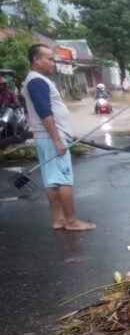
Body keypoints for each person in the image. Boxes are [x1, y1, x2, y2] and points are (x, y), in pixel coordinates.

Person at [23, 44, 95, 231]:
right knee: (63, 179)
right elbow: (45, 112)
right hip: (51, 137)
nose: (52, 63)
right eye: (49, 59)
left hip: (45, 137)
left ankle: (58, 219)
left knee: (51, 181)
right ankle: (72, 221)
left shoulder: (34, 80)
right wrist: (57, 139)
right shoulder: (37, 81)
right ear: (36, 60)